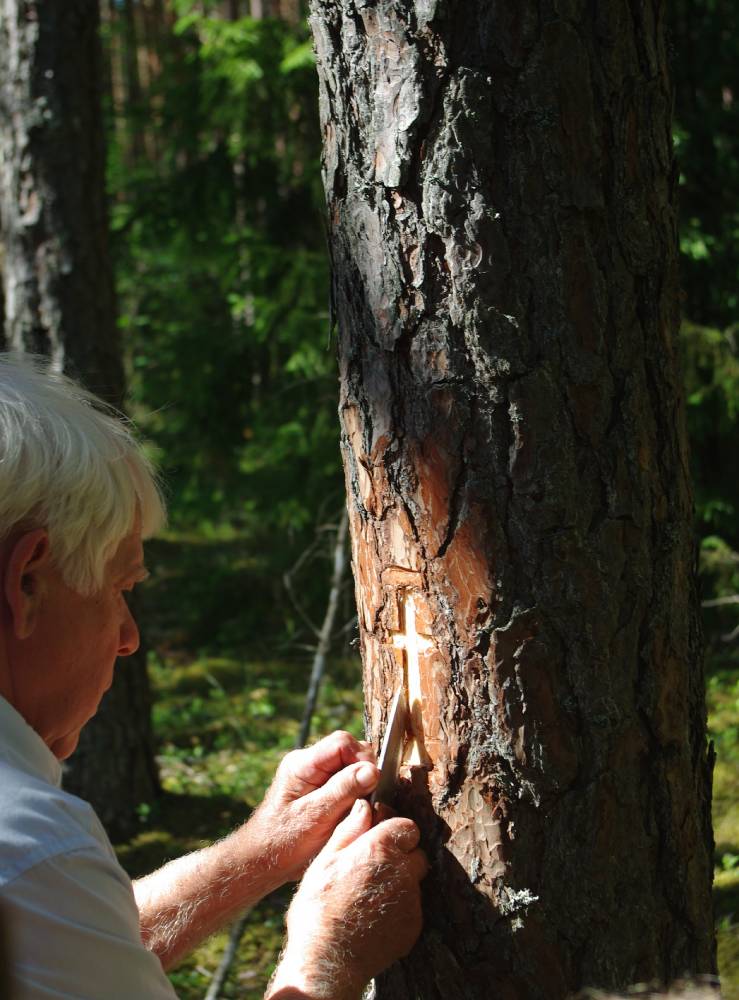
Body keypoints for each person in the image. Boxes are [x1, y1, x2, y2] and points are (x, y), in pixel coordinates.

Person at [0, 354, 427, 999]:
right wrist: (323, 958)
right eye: (121, 587)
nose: (128, 636)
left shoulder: (34, 873)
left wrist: (264, 849)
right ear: (27, 584)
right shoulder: (30, 848)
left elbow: (78, 951)